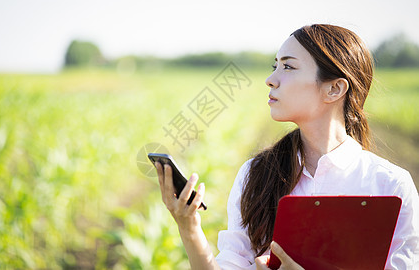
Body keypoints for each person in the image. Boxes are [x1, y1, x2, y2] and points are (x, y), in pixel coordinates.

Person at [155, 24, 419, 269]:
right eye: (275, 66)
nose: (271, 79)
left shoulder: (390, 186)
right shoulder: (255, 174)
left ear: (334, 89)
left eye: (288, 67)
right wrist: (189, 227)